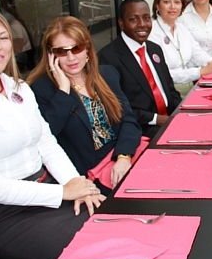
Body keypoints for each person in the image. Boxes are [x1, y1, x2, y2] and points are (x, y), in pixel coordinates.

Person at [0, 7, 104, 259]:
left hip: (47, 190)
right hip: (2, 214)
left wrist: (77, 185)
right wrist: (63, 192)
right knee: (87, 250)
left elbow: (46, 144)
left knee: (108, 223)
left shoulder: (19, 88)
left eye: (3, 37)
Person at [27, 16, 143, 192]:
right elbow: (46, 138)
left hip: (124, 154)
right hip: (90, 174)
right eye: (62, 51)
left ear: (87, 48)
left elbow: (128, 120)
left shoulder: (107, 74)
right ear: (51, 55)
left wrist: (123, 156)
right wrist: (63, 92)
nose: (71, 57)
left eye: (77, 48)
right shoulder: (41, 89)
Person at [98, 0, 182, 138]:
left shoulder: (154, 49)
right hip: (141, 128)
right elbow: (116, 108)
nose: (142, 24)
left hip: (169, 119)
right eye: (133, 19)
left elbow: (170, 90)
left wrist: (182, 113)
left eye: (146, 18)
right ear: (121, 23)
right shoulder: (107, 58)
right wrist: (156, 119)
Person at [148, 0, 212, 97]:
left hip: (189, 88)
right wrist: (200, 72)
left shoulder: (181, 28)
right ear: (157, 5)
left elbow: (197, 53)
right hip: (165, 92)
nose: (172, 6)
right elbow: (161, 73)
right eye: (167, 2)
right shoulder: (151, 32)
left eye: (177, 2)